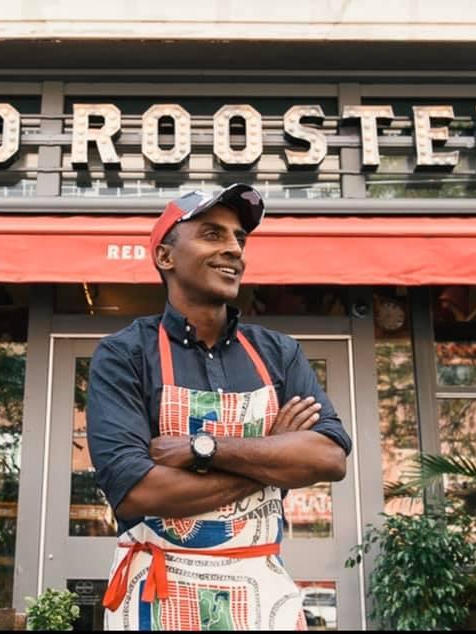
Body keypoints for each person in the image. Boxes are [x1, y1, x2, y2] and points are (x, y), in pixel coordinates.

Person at [86, 183, 352, 631]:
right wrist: (272, 456)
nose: (233, 250)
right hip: (160, 593)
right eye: (212, 234)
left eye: (239, 239)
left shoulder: (278, 354)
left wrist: (202, 449)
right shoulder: (125, 355)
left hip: (261, 593)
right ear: (166, 257)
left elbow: (327, 457)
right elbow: (138, 492)